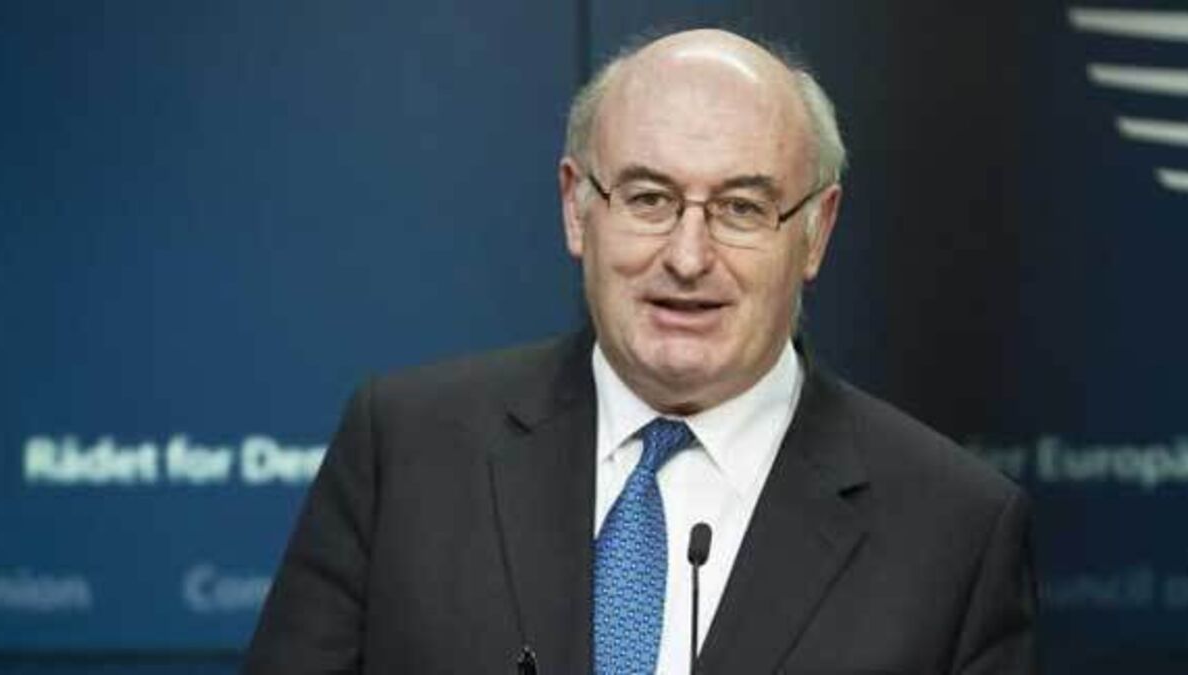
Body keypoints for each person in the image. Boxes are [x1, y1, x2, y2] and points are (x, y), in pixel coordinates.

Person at [245, 28, 1036, 674]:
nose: (688, 257)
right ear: (576, 207)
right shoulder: (405, 449)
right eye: (649, 198)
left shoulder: (955, 532)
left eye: (741, 207)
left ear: (815, 231)